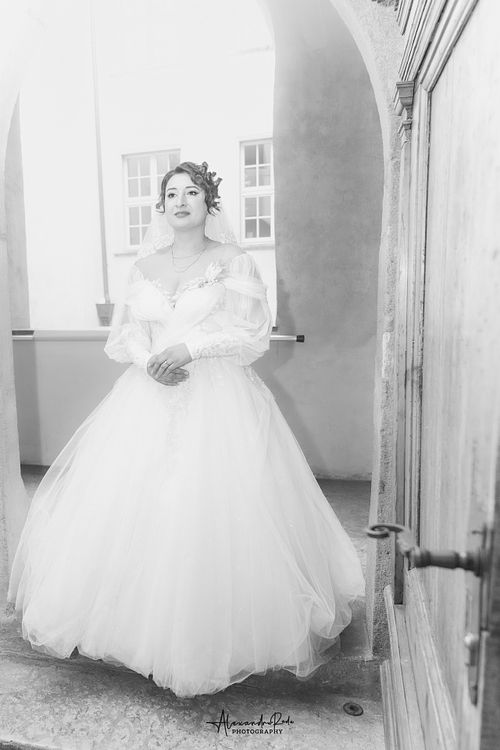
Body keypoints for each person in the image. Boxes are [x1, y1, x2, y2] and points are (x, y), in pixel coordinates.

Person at [7, 160, 365, 698]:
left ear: (208, 202)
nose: (180, 201)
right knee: (134, 504)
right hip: (148, 394)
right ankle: (133, 624)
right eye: (171, 193)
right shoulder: (143, 266)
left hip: (217, 398)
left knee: (211, 508)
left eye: (191, 191)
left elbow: (252, 335)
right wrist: (152, 360)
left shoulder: (233, 260)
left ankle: (203, 635)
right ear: (162, 206)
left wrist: (190, 348)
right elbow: (124, 336)